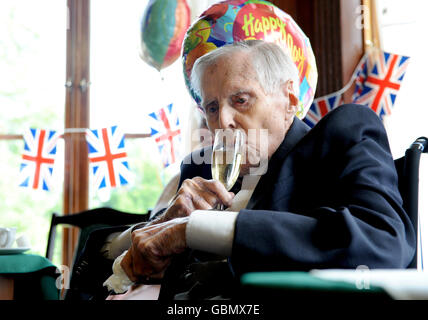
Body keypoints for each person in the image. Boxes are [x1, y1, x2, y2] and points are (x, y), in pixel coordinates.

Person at [113, 40, 415, 300]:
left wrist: (197, 230)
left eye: (241, 100)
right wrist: (158, 231)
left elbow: (382, 240)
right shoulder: (198, 168)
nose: (223, 122)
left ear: (290, 100)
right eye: (213, 108)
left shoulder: (340, 135)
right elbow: (138, 255)